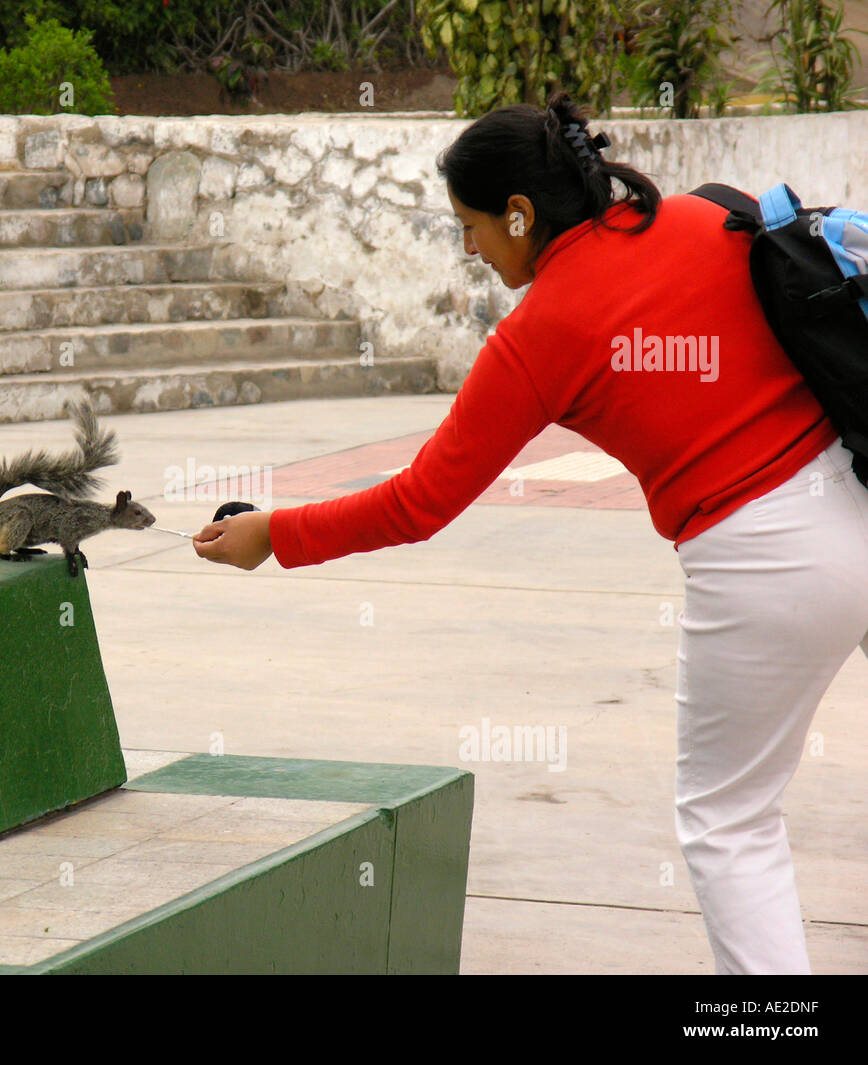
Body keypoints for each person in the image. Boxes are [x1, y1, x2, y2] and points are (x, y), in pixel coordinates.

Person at [191, 91, 868, 975]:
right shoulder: (708, 215)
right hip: (853, 502)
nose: (469, 248)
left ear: (519, 214)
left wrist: (277, 533)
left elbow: (419, 501)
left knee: (727, 822)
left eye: (470, 226)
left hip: (762, 563)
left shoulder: (539, 334)